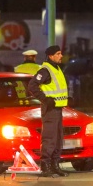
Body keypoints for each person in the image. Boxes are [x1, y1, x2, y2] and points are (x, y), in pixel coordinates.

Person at [28, 45, 70, 177]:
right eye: (58, 54)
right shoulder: (46, 70)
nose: (61, 56)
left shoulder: (57, 69)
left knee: (57, 138)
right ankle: (45, 165)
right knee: (49, 138)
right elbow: (32, 86)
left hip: (57, 109)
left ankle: (55, 165)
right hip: (50, 109)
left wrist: (68, 99)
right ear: (51, 56)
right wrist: (45, 99)